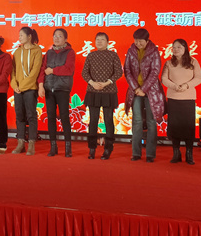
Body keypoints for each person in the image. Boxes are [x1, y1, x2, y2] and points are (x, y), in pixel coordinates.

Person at [124, 28, 165, 162]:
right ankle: (136, 153)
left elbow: (155, 71)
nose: (138, 43)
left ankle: (150, 154)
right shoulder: (131, 51)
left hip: (151, 91)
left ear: (147, 41)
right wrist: (136, 88)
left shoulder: (154, 51)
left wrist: (144, 88)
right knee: (137, 121)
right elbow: (127, 70)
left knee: (151, 121)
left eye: (141, 41)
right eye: (136, 40)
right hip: (135, 91)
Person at [161, 38, 201, 165]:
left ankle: (189, 154)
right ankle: (176, 153)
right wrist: (174, 86)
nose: (176, 49)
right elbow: (164, 78)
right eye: (174, 47)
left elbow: (199, 78)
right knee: (174, 127)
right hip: (173, 98)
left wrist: (186, 85)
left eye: (179, 47)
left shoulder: (193, 62)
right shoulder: (169, 63)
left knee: (188, 127)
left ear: (185, 48)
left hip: (188, 98)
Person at [82, 32, 123, 160]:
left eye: (102, 39)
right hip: (93, 91)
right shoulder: (91, 55)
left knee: (108, 120)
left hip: (108, 91)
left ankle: (108, 148)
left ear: (107, 42)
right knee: (93, 120)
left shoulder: (113, 55)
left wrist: (106, 83)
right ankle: (92, 149)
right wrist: (92, 83)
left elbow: (119, 72)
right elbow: (84, 73)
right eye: (97, 39)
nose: (99, 41)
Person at [38, 28, 76, 157]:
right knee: (51, 117)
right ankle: (53, 147)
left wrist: (53, 71)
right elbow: (43, 69)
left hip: (62, 88)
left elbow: (69, 69)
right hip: (49, 88)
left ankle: (68, 147)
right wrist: (41, 85)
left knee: (64, 117)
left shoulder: (70, 52)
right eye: (55, 36)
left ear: (65, 39)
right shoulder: (49, 52)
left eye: (60, 36)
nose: (56, 38)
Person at [10, 27, 43, 155]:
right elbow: (13, 71)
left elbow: (35, 71)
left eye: (22, 35)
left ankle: (32, 144)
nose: (19, 37)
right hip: (18, 89)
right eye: (19, 35)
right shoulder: (17, 52)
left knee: (31, 115)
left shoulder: (37, 50)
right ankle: (20, 143)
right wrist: (14, 85)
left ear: (29, 36)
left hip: (30, 88)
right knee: (19, 115)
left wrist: (22, 86)